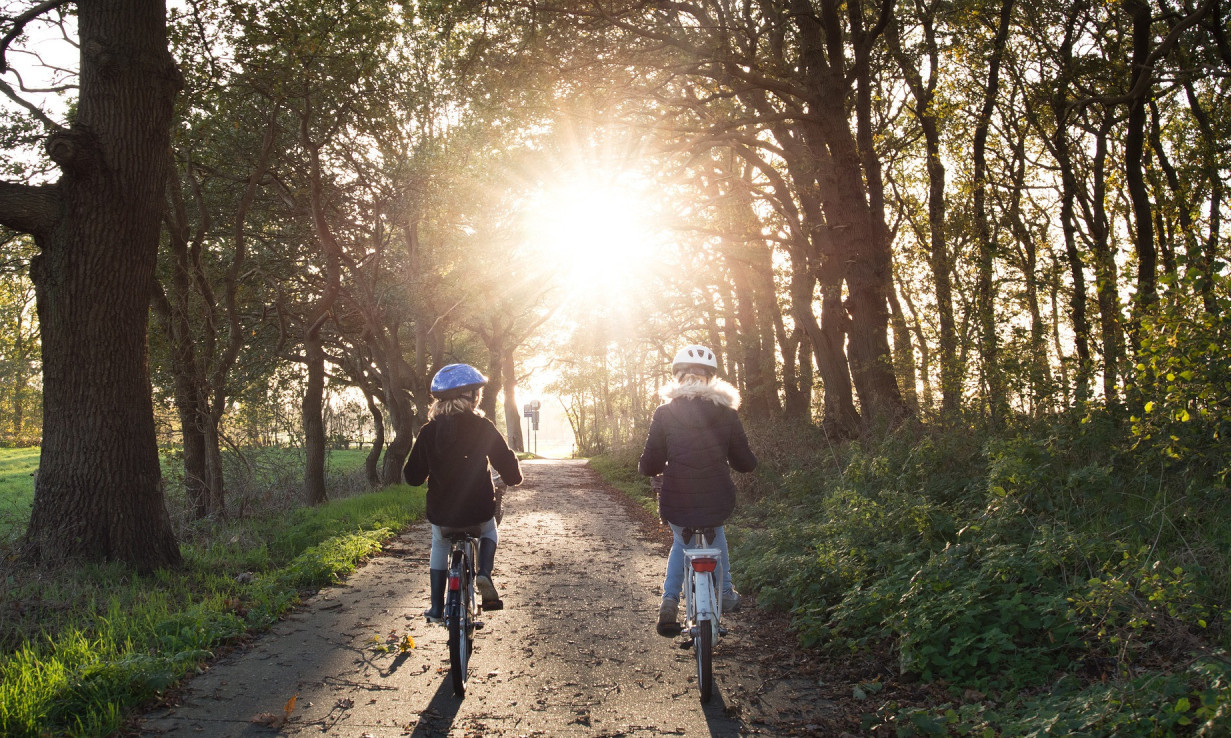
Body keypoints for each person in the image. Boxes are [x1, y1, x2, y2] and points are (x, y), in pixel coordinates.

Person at [638, 344, 757, 636]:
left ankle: (669, 601)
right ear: (710, 379)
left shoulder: (664, 413)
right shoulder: (727, 413)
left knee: (681, 541)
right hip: (717, 497)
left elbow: (650, 462)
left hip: (676, 498)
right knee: (716, 532)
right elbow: (745, 463)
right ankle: (725, 592)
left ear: (678, 378)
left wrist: (650, 468)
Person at [404, 363, 523, 621]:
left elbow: (412, 477)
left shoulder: (428, 432)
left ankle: (436, 607)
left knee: (439, 541)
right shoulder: (484, 427)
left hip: (442, 514)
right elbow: (511, 473)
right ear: (471, 396)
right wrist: (512, 475)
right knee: (490, 531)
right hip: (478, 511)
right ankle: (484, 574)